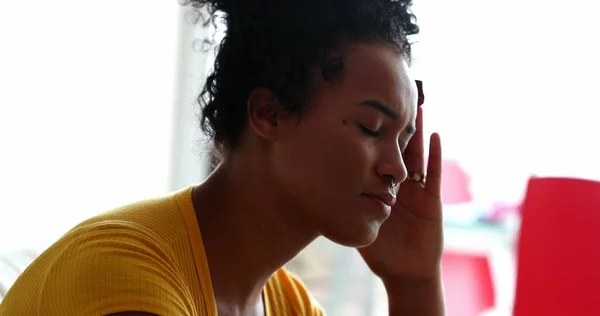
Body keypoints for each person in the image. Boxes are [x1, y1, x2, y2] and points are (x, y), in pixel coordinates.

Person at [0, 0, 444, 315]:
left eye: (403, 140)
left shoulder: (286, 304)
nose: (399, 169)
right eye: (371, 129)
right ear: (269, 114)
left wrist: (414, 285)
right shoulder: (126, 276)